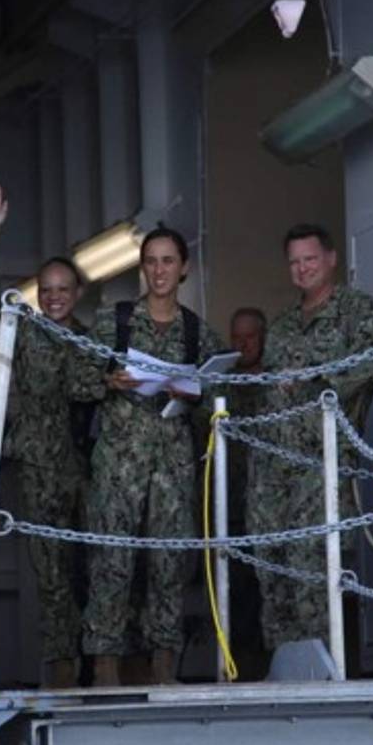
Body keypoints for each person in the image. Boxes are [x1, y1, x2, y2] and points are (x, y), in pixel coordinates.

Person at [72, 227, 224, 687]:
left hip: (173, 465)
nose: (159, 271)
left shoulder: (198, 331)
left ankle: (163, 667)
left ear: (183, 268)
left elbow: (220, 394)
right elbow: (75, 380)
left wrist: (194, 392)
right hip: (119, 463)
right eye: (151, 261)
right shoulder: (113, 323)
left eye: (167, 261)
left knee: (168, 564)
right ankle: (104, 668)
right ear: (143, 267)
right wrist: (108, 381)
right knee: (111, 563)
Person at [0, 184, 90, 688]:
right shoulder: (27, 327)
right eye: (48, 289)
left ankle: (102, 660)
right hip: (40, 467)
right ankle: (61, 667)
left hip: (90, 467)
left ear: (77, 294)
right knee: (51, 574)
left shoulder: (91, 337)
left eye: (64, 289)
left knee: (101, 568)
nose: (55, 297)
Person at [246, 223, 373, 656]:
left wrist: (314, 379)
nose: (302, 269)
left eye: (310, 259)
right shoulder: (283, 325)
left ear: (330, 259)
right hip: (272, 465)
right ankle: (283, 669)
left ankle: (321, 670)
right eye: (294, 262)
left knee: (312, 566)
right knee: (270, 567)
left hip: (320, 460)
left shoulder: (358, 311)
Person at [225, 307, 267, 533]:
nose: (242, 344)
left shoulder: (277, 382)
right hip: (226, 499)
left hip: (267, 500)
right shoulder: (219, 382)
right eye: (236, 337)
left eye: (250, 337)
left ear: (263, 338)